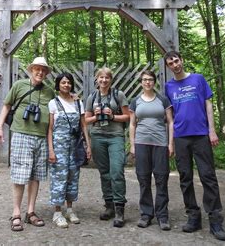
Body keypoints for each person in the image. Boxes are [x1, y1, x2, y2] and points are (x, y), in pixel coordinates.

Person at [164, 50, 225, 241]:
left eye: (176, 61)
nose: (175, 65)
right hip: (181, 137)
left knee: (208, 176)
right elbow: (170, 116)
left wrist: (212, 130)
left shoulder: (198, 79)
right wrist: (172, 141)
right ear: (168, 67)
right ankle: (193, 216)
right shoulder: (169, 87)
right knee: (185, 177)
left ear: (182, 60)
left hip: (201, 135)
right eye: (171, 63)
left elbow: (208, 104)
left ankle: (215, 219)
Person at [0, 57, 56, 232]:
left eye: (43, 70)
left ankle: (31, 212)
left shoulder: (49, 92)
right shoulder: (19, 85)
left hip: (41, 137)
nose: (40, 72)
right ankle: (16, 212)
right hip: (22, 134)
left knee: (36, 175)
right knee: (20, 174)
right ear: (31, 70)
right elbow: (6, 106)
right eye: (37, 69)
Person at [129, 70, 174, 230]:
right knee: (143, 179)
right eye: (145, 80)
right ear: (141, 82)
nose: (147, 82)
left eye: (150, 80)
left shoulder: (163, 100)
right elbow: (132, 124)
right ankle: (146, 214)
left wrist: (170, 144)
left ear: (154, 82)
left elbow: (170, 122)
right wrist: (132, 145)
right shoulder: (135, 101)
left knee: (161, 179)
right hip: (141, 144)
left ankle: (162, 216)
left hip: (160, 144)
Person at [84, 67, 130, 228]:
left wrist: (112, 116)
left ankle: (119, 209)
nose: (104, 80)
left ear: (111, 80)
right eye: (101, 77)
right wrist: (96, 116)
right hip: (98, 136)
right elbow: (86, 120)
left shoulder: (119, 95)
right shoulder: (92, 97)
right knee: (104, 172)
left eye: (107, 78)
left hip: (115, 136)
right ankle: (109, 205)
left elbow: (127, 116)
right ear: (96, 79)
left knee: (116, 171)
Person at [47, 72, 92, 228]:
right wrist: (51, 150)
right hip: (59, 147)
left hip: (75, 146)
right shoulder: (53, 103)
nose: (66, 85)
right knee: (59, 178)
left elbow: (84, 125)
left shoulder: (78, 103)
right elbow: (50, 129)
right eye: (63, 82)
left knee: (73, 176)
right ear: (58, 85)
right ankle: (57, 212)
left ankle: (70, 209)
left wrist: (88, 145)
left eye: (69, 82)